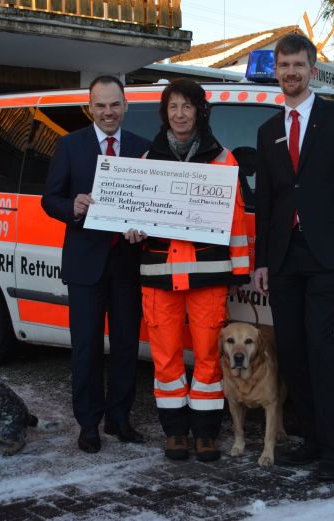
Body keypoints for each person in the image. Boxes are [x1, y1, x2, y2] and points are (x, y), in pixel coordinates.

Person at [253, 34, 334, 482]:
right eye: (284, 65)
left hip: (327, 255)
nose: (291, 73)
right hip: (283, 257)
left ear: (313, 69)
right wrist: (263, 260)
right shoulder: (268, 130)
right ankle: (311, 440)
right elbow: (266, 202)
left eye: (298, 65)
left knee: (320, 347)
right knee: (293, 350)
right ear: (277, 70)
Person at [128, 78, 250, 462]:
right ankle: (176, 433)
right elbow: (135, 214)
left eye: (187, 106)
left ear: (200, 111)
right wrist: (132, 227)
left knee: (209, 358)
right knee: (165, 359)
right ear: (165, 114)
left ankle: (206, 434)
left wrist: (239, 270)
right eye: (173, 107)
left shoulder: (222, 158)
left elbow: (236, 219)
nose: (180, 114)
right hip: (160, 274)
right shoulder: (148, 161)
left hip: (207, 275)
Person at [41, 76, 150, 453]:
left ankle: (119, 418)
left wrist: (145, 228)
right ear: (90, 108)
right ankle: (88, 423)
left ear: (125, 106)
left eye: (114, 104)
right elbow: (49, 198)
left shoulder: (142, 148)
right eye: (100, 105)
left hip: (128, 264)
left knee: (125, 347)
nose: (108, 112)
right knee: (86, 348)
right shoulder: (69, 145)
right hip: (86, 264)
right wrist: (70, 206)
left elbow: (151, 204)